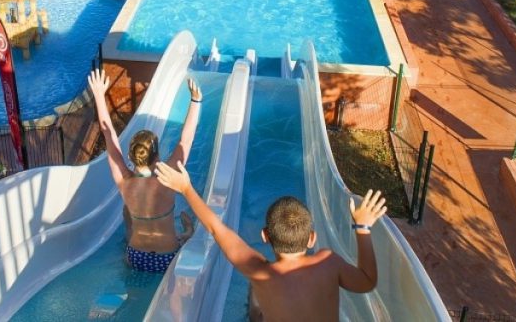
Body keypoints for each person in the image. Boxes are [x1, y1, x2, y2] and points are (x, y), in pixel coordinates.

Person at [156, 161, 387, 321]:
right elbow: (367, 281)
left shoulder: (260, 273)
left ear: (265, 236)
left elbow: (216, 229)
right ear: (311, 238)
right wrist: (362, 227)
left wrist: (186, 188)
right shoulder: (328, 262)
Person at [88, 69, 201, 273]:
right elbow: (186, 139)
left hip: (136, 255)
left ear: (131, 157)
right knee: (187, 238)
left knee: (127, 219)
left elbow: (108, 133)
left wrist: (98, 94)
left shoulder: (124, 181)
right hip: (167, 255)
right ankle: (188, 232)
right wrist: (195, 101)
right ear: (157, 156)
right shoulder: (168, 178)